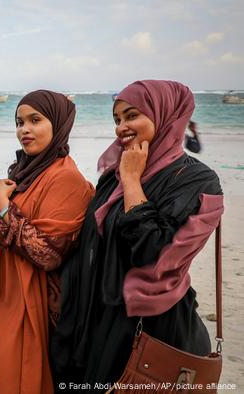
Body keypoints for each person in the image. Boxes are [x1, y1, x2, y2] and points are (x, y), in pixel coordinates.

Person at [52, 80, 224, 391]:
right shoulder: (112, 176)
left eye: (131, 116)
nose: (121, 127)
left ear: (165, 114)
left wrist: (132, 180)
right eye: (117, 119)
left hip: (149, 328)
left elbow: (156, 255)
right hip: (98, 316)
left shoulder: (196, 179)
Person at [0, 90, 94, 393]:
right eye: (19, 122)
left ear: (59, 124)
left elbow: (48, 253)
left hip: (34, 305)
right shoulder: (25, 172)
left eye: (35, 120)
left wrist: (3, 206)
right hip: (4, 296)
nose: (24, 130)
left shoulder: (68, 179)